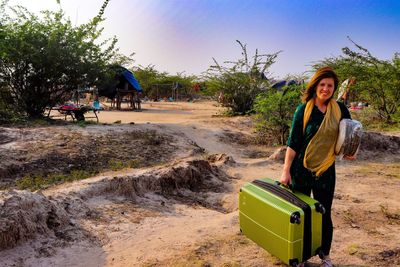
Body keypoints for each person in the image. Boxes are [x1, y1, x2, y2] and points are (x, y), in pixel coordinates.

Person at [280, 67, 353, 267]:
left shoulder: (340, 110)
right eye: (322, 84)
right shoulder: (303, 110)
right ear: (315, 86)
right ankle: (301, 256)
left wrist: (349, 151)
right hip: (301, 170)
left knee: (324, 214)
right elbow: (293, 144)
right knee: (301, 214)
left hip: (326, 171)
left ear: (334, 88)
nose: (326, 89)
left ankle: (326, 256)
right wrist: (285, 171)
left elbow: (349, 135)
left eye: (330, 85)